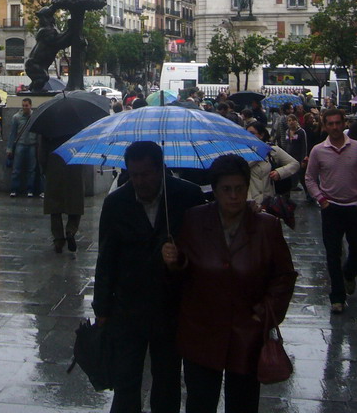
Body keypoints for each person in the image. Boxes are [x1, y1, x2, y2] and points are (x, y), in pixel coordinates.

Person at [162, 154, 297, 413]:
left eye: (239, 189)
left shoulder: (266, 226)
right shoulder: (194, 220)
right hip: (201, 331)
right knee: (200, 401)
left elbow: (283, 276)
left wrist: (263, 314)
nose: (233, 196)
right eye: (226, 189)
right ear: (214, 190)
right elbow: (180, 276)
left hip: (246, 333)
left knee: (243, 402)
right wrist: (174, 262)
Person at [94, 140, 205, 413]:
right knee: (126, 382)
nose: (140, 182)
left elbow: (204, 249)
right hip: (128, 307)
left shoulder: (187, 196)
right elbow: (106, 258)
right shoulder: (116, 202)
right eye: (134, 175)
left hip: (170, 307)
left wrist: (179, 258)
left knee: (167, 381)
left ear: (161, 170)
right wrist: (102, 309)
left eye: (146, 174)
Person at [304, 108, 357, 314]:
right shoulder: (318, 150)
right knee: (333, 253)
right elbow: (309, 177)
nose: (335, 127)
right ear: (325, 126)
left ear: (344, 123)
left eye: (338, 123)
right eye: (330, 124)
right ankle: (337, 296)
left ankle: (350, 273)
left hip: (355, 206)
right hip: (331, 208)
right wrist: (321, 199)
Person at [245, 123, 300, 205]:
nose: (248, 136)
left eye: (252, 133)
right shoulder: (241, 152)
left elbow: (295, 164)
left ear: (261, 135)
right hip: (249, 203)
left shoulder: (271, 150)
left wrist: (279, 172)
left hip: (268, 201)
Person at [7, 98, 41, 198]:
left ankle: (30, 189)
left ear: (30, 105)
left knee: (32, 169)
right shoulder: (16, 117)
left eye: (26, 105)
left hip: (32, 144)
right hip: (20, 144)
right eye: (23, 105)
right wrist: (9, 148)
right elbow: (12, 134)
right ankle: (14, 189)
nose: (25, 107)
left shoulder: (34, 116)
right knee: (16, 168)